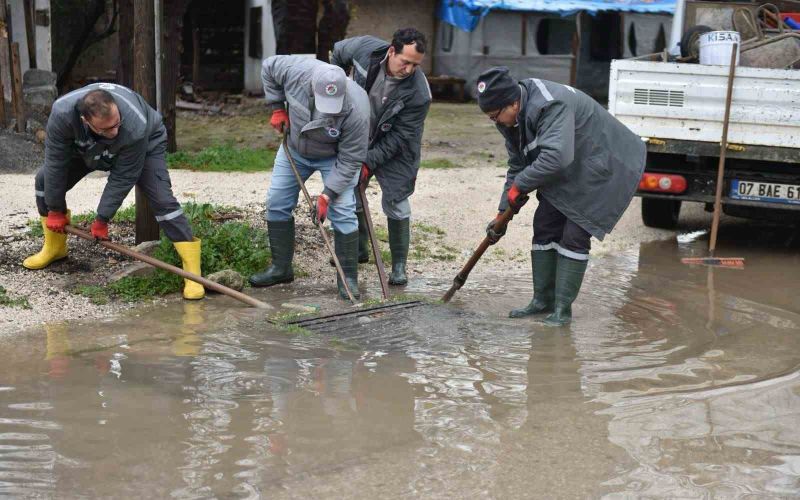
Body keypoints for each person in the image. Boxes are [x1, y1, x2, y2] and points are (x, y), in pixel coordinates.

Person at [477, 67, 646, 326]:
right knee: (544, 225)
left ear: (513, 102)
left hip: (606, 163)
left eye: (496, 116)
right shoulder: (510, 117)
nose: (496, 122)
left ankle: (562, 310)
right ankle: (542, 301)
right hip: (573, 164)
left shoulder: (549, 104)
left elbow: (557, 157)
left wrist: (521, 185)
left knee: (574, 235)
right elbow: (517, 165)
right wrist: (503, 213)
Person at [23, 83, 204, 300]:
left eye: (117, 123)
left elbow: (123, 177)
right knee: (44, 181)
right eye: (107, 128)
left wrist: (102, 219)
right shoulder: (61, 115)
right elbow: (55, 163)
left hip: (144, 143)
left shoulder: (133, 126)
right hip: (88, 146)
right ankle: (55, 248)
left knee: (163, 201)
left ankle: (193, 272)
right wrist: (54, 210)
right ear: (85, 121)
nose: (115, 131)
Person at [248, 56, 369, 299]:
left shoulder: (358, 109)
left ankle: (347, 280)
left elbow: (350, 160)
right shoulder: (295, 71)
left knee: (344, 211)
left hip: (333, 157)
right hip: (294, 149)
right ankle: (281, 269)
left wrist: (327, 195)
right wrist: (277, 107)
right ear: (312, 86)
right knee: (277, 203)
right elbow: (267, 67)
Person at [330, 27, 431, 285]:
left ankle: (399, 266)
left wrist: (368, 161)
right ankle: (359, 250)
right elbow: (338, 52)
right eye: (405, 62)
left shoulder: (419, 93)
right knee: (350, 190)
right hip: (359, 132)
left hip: (396, 147)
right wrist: (337, 82)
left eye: (415, 65)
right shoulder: (365, 49)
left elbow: (400, 138)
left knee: (396, 200)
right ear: (391, 51)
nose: (408, 69)